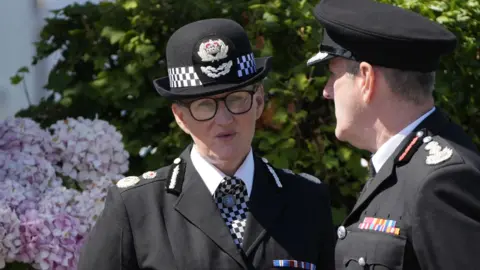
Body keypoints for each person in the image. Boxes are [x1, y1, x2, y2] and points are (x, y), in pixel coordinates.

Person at [78, 18, 335, 270]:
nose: (224, 119)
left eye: (236, 99)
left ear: (258, 102)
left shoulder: (306, 201)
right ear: (181, 117)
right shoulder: (137, 207)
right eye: (205, 105)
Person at [305, 0, 480, 269]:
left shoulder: (440, 182)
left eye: (333, 74)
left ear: (366, 79)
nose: (326, 91)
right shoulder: (402, 168)